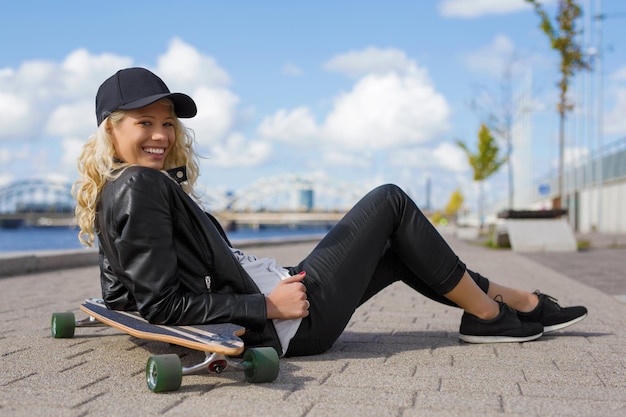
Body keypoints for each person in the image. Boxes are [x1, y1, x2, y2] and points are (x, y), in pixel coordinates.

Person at [73, 67, 587, 357]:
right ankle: (495, 315)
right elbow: (160, 309)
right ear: (110, 131)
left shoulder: (128, 187)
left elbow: (124, 293)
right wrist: (267, 308)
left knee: (400, 248)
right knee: (390, 201)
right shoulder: (138, 186)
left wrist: (118, 306)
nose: (161, 135)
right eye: (145, 122)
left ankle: (513, 303)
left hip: (279, 295)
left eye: (167, 123)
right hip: (286, 319)